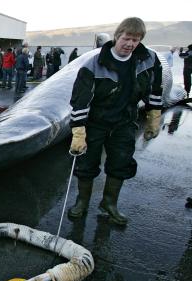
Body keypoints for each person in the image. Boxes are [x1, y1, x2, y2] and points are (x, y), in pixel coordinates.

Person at [68, 17, 163, 225]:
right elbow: (80, 99)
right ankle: (82, 201)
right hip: (96, 122)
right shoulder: (94, 64)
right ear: (117, 36)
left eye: (136, 40)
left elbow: (155, 90)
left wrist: (154, 118)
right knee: (86, 163)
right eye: (127, 38)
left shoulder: (149, 60)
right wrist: (78, 131)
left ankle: (109, 204)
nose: (130, 44)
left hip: (125, 122)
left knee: (120, 163)